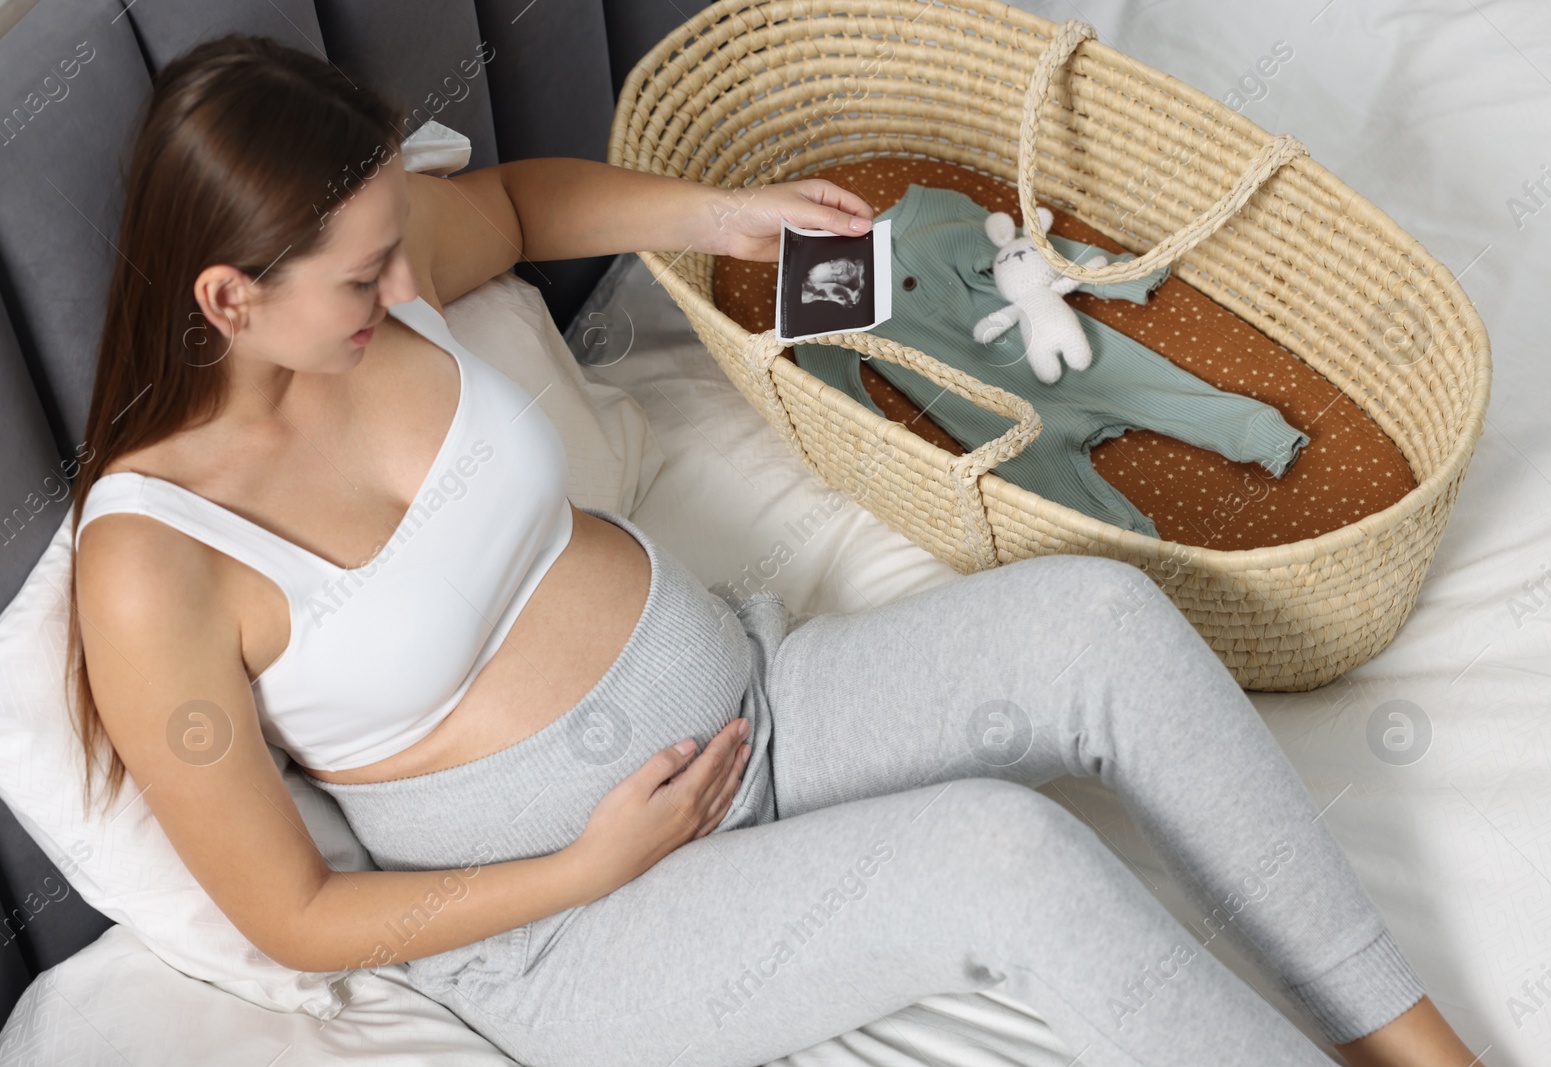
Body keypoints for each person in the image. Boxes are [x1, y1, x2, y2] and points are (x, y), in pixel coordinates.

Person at [68, 33, 1479, 1067]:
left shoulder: (378, 274)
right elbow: (298, 914)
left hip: (753, 702)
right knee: (1003, 859)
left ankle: (1413, 1045)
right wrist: (588, 869)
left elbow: (505, 209)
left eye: (393, 250)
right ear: (227, 295)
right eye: (364, 273)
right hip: (579, 921)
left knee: (1101, 622)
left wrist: (714, 217)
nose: (400, 278)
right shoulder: (154, 566)